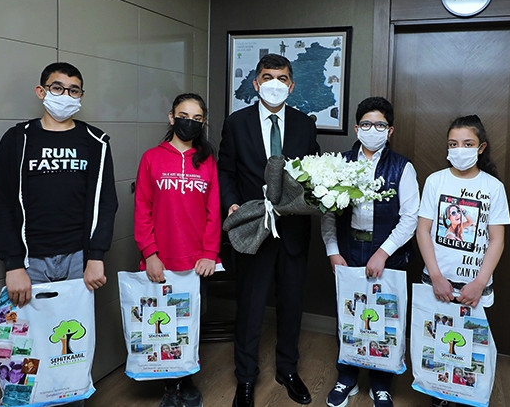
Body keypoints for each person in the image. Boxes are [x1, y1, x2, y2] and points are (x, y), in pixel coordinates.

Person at [0, 62, 118, 407]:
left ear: (81, 96)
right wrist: (13, 263)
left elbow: (105, 202)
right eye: (57, 88)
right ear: (41, 91)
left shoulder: (95, 141)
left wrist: (96, 256)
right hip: (30, 262)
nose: (65, 95)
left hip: (79, 260)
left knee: (71, 351)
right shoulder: (18, 139)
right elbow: (1, 203)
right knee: (29, 351)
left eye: (73, 90)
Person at [218, 53, 320, 407]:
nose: (274, 83)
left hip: (293, 230)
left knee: (291, 304)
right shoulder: (237, 123)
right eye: (267, 77)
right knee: (250, 306)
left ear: (291, 86)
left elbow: (313, 172)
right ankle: (245, 378)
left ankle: (288, 370)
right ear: (256, 83)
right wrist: (231, 203)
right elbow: (226, 170)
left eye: (282, 78)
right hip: (253, 227)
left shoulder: (305, 124)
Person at [321, 96, 419, 407]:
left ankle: (381, 383)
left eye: (380, 125)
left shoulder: (402, 167)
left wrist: (383, 253)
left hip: (387, 254)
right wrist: (333, 251)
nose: (372, 130)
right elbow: (327, 212)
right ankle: (346, 377)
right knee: (348, 315)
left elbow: (410, 218)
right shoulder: (339, 164)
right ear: (356, 128)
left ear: (390, 130)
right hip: (348, 251)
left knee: (384, 318)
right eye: (366, 124)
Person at [416, 115, 510, 407]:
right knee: (438, 343)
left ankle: (466, 396)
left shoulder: (493, 187)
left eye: (468, 144)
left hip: (474, 288)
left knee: (468, 348)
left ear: (481, 147)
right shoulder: (435, 181)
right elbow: (423, 230)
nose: (460, 150)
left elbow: (497, 240)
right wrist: (436, 276)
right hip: (437, 282)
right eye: (453, 144)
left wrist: (479, 283)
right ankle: (439, 395)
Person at [134, 93, 220, 407]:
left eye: (197, 119)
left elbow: (214, 210)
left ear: (203, 123)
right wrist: (150, 253)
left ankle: (187, 377)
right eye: (184, 116)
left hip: (196, 262)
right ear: (171, 117)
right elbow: (142, 209)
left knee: (190, 323)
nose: (189, 123)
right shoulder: (151, 158)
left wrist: (209, 253)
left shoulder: (207, 160)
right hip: (160, 259)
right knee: (162, 323)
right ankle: (170, 386)